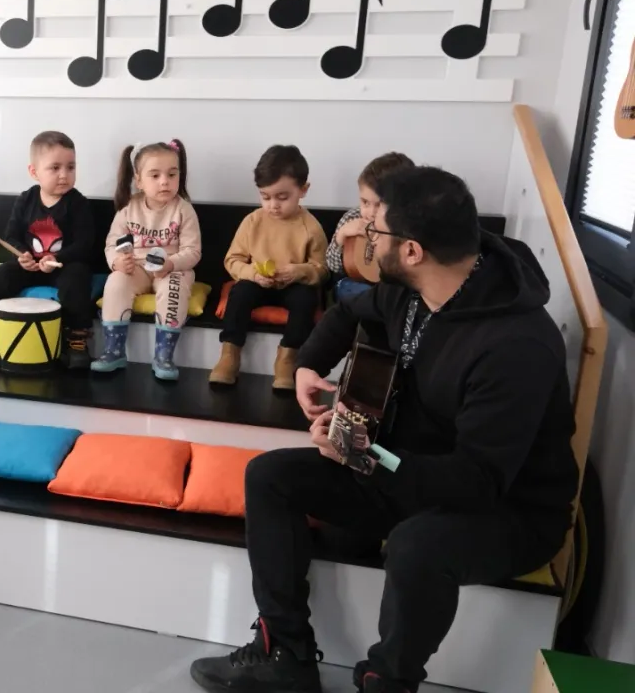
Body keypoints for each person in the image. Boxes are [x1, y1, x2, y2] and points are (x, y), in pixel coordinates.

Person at [189, 167, 578, 693]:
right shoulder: (414, 287)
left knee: (418, 545)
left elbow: (477, 482)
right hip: (404, 470)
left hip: (507, 510)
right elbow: (348, 313)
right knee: (269, 476)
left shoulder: (516, 346)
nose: (367, 238)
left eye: (376, 230)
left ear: (412, 250)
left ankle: (387, 682)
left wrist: (363, 456)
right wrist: (308, 365)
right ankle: (284, 652)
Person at [0, 130, 94, 370]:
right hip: (30, 266)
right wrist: (22, 255)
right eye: (55, 168)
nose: (64, 175)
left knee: (78, 278)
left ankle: (76, 339)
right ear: (34, 172)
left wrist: (57, 257)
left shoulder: (78, 203)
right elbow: (11, 236)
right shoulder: (26, 199)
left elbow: (85, 244)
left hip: (63, 265)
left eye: (71, 167)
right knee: (1, 275)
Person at [212, 145, 328, 390]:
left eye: (282, 197)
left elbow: (322, 270)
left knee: (306, 299)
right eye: (265, 197)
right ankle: (229, 354)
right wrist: (253, 274)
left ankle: (288, 358)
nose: (273, 205)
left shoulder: (311, 227)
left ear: (303, 190)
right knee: (239, 293)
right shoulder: (252, 222)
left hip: (293, 286)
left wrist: (299, 271)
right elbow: (232, 260)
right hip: (258, 283)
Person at [92, 139, 202, 380]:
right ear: (139, 180)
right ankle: (114, 350)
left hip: (172, 268)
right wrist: (117, 262)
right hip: (138, 267)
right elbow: (112, 243)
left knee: (174, 288)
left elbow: (193, 251)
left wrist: (171, 264)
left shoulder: (183, 210)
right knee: (115, 282)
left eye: (172, 174)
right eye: (155, 175)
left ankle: (164, 355)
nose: (164, 181)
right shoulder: (128, 208)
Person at [326, 153, 415, 302]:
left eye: (379, 205)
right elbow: (333, 267)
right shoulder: (352, 217)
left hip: (395, 287)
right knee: (347, 288)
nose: (371, 212)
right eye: (365, 202)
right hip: (357, 284)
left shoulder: (409, 225)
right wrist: (341, 236)